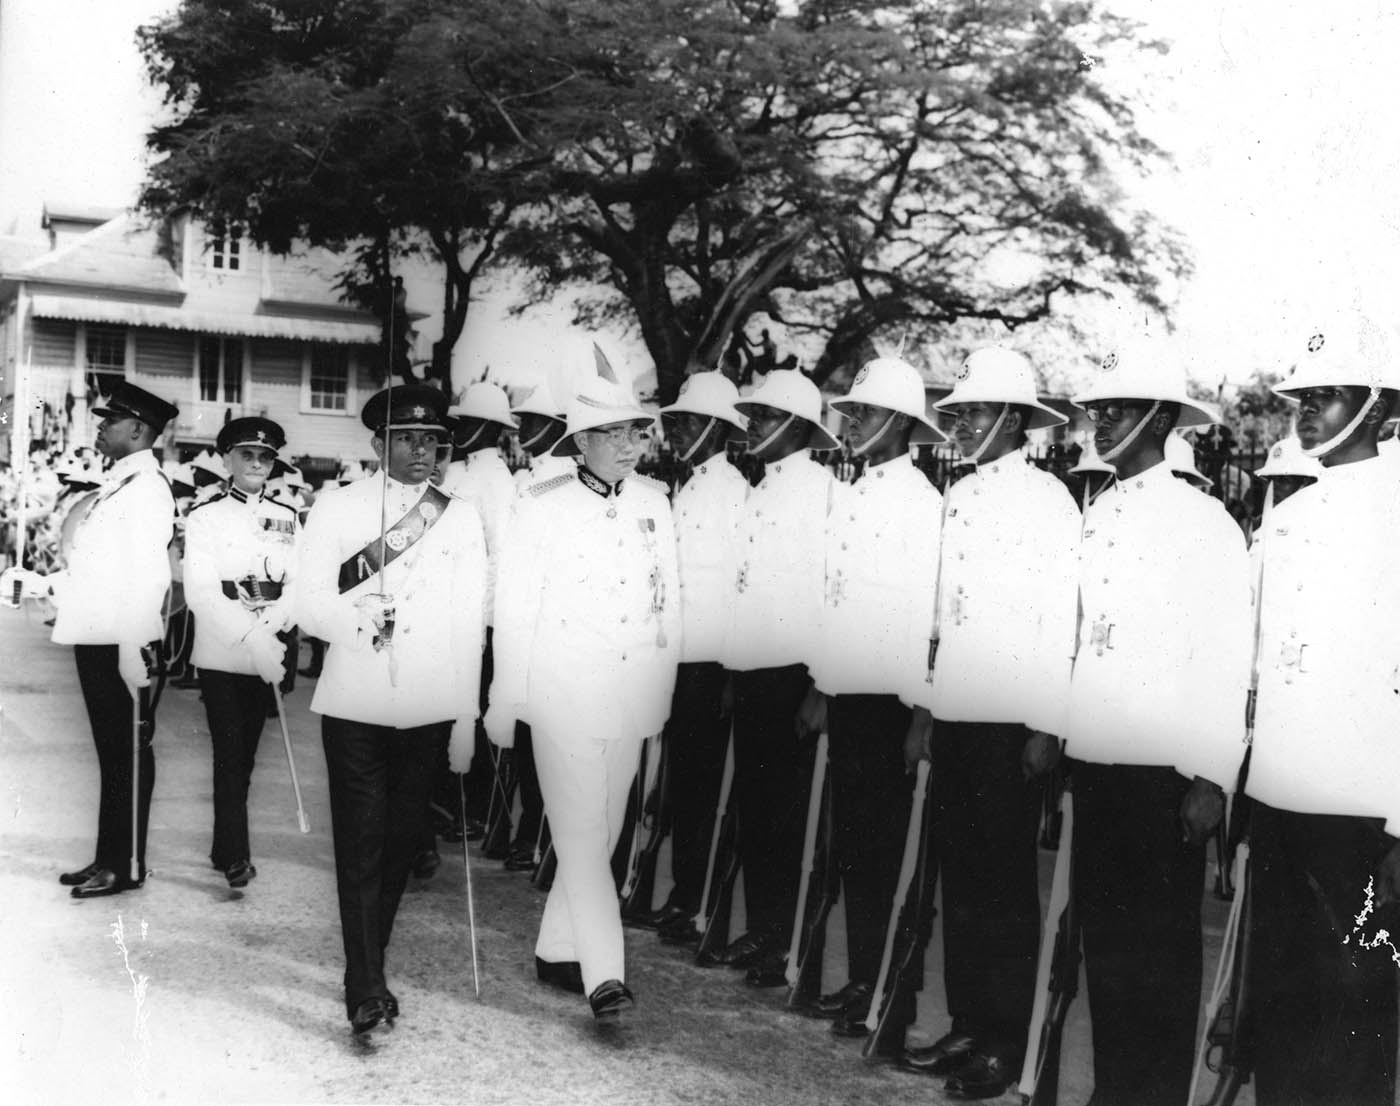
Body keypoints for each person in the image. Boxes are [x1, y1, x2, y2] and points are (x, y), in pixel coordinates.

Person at [1063, 340, 1252, 1106]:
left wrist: (1211, 773)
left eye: (1117, 410)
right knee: (1105, 948)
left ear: (1160, 418)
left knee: (1159, 955)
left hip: (1163, 772)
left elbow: (1224, 654)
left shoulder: (1202, 519)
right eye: (1097, 409)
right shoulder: (1100, 508)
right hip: (1101, 754)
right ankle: (1116, 1092)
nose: (1100, 423)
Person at [894, 347, 1079, 1097]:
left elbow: (1058, 620)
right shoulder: (959, 497)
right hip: (963, 709)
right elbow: (943, 617)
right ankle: (970, 1021)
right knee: (962, 875)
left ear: (1014, 421)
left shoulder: (1048, 501)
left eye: (974, 412)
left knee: (1003, 886)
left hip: (1013, 718)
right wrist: (929, 708)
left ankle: (1004, 1041)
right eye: (959, 412)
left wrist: (1046, 726)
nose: (961, 424)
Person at [485, 370, 680, 1020]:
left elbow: (667, 607)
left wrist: (660, 691)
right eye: (613, 434)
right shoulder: (542, 501)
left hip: (628, 696)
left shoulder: (656, 502)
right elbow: (514, 609)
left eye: (635, 433)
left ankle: (556, 951)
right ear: (581, 441)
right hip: (561, 692)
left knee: (603, 830)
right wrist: (506, 699)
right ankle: (605, 976)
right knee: (582, 831)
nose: (629, 446)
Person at [296, 383, 486, 1036]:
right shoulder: (339, 506)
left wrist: (465, 719)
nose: (420, 452)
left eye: (431, 440)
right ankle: (365, 983)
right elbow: (307, 599)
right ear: (379, 444)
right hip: (355, 699)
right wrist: (353, 620)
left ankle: (369, 966)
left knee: (403, 843)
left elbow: (470, 621)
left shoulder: (458, 516)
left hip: (429, 705)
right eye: (406, 438)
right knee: (360, 843)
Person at [1244, 317, 1400, 1106]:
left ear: (1376, 407)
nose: (1306, 412)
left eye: (1327, 396)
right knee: (1283, 1006)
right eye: (1300, 398)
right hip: (1283, 797)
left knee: (1354, 1015)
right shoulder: (1295, 515)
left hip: (1360, 815)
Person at [793, 354, 944, 1047]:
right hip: (852, 691)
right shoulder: (853, 493)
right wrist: (824, 684)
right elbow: (834, 604)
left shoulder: (918, 502)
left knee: (887, 853)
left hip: (891, 698)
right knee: (854, 846)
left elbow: (919, 617)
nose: (851, 424)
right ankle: (862, 977)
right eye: (849, 413)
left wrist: (919, 713)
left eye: (865, 414)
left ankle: (891, 993)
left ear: (904, 426)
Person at [3, 381, 179, 898]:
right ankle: (109, 857)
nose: (100, 428)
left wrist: (132, 648)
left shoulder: (147, 489)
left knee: (126, 752)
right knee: (113, 752)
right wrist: (40, 584)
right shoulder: (121, 485)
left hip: (121, 642)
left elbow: (149, 579)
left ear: (138, 430)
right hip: (99, 635)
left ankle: (125, 865)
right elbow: (98, 572)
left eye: (110, 421)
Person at [699, 369, 839, 985]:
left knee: (787, 812)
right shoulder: (762, 489)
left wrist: (819, 686)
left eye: (763, 415)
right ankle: (763, 928)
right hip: (755, 668)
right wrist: (733, 669)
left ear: (798, 427)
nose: (751, 425)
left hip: (794, 671)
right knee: (757, 806)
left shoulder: (821, 492)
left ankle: (784, 938)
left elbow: (830, 596)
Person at [636, 370, 749, 944]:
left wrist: (730, 668)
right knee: (681, 782)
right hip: (681, 659)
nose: (673, 431)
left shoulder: (730, 491)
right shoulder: (693, 485)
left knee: (702, 787)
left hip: (710, 663)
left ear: (715, 428)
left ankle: (693, 901)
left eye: (684, 422)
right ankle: (680, 893)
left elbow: (736, 589)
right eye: (673, 421)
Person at [182, 417, 299, 889]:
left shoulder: (288, 516)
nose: (256, 464)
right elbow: (201, 593)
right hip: (224, 649)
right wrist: (251, 636)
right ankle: (236, 855)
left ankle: (222, 844)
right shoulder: (205, 517)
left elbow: (298, 583)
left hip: (270, 644)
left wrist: (273, 628)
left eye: (265, 457)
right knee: (230, 751)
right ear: (227, 458)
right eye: (247, 455)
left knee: (246, 753)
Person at [442, 381, 519, 857]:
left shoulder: (496, 479)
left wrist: (486, 622)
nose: (459, 429)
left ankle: (478, 812)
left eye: (467, 422)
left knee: (475, 712)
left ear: (488, 428)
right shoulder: (457, 472)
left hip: (478, 618)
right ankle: (450, 805)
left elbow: (501, 554)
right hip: (447, 614)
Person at [500, 379, 573, 873]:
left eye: (530, 420)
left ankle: (539, 836)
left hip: (557, 629)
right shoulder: (532, 476)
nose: (522, 428)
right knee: (528, 739)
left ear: (555, 426)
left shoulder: (562, 478)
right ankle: (529, 832)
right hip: (528, 625)